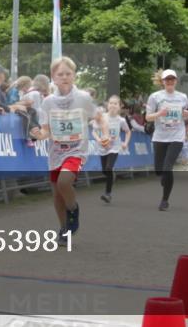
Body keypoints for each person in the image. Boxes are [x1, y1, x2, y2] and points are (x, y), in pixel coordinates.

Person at [30, 57, 105, 243]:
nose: (64, 77)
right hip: (56, 152)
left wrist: (105, 134)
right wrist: (38, 135)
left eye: (68, 74)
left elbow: (99, 117)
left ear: (74, 76)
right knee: (57, 194)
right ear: (53, 77)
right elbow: (46, 131)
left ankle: (73, 209)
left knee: (64, 182)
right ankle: (64, 229)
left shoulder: (83, 98)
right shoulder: (48, 102)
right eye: (60, 74)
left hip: (77, 150)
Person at [145, 69, 188, 211]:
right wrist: (160, 113)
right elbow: (148, 117)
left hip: (177, 136)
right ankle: (164, 177)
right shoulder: (155, 97)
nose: (170, 81)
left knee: (167, 167)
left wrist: (186, 115)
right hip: (160, 136)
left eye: (172, 79)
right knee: (159, 171)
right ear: (163, 81)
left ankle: (165, 200)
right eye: (167, 79)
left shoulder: (183, 97)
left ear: (176, 81)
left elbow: (185, 115)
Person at [94, 95, 131, 204]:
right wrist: (99, 139)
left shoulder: (121, 120)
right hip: (103, 147)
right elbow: (94, 131)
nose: (113, 105)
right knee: (105, 171)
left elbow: (128, 131)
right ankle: (111, 176)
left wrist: (125, 143)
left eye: (115, 103)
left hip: (114, 147)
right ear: (107, 105)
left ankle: (108, 194)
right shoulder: (102, 117)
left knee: (109, 167)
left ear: (120, 106)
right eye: (111, 103)